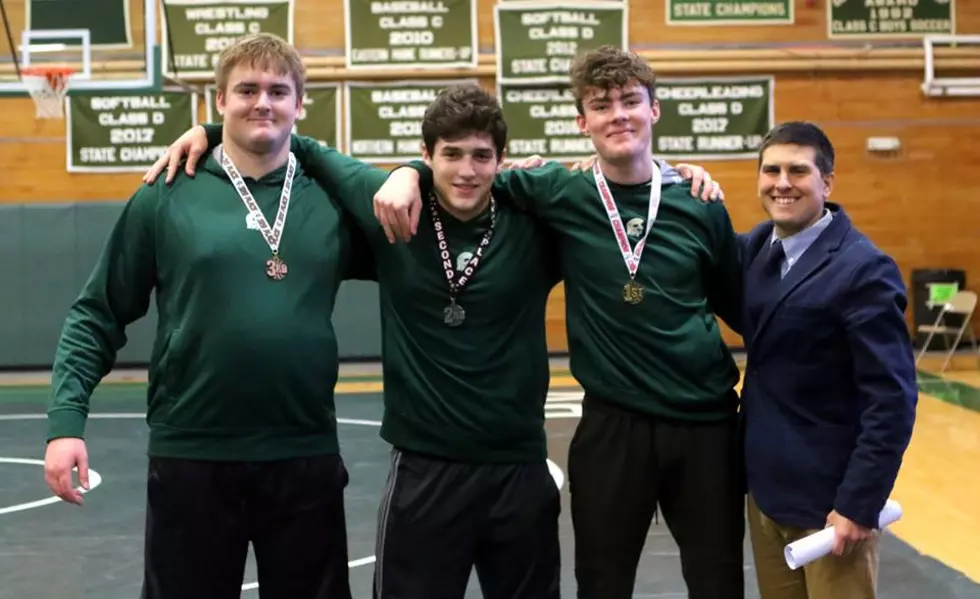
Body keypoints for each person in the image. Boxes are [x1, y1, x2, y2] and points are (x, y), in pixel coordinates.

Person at [144, 82, 723, 597]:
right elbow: (309, 149)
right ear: (426, 157)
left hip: (517, 468)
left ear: (501, 162)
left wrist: (678, 173)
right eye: (450, 155)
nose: (466, 170)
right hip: (423, 470)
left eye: (481, 156)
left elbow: (620, 185)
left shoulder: (535, 220)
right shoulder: (394, 218)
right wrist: (214, 128)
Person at [375, 46, 746, 599]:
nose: (618, 114)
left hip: (704, 424)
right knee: (601, 582)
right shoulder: (556, 192)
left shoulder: (700, 202)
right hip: (612, 427)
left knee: (717, 581)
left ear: (655, 110)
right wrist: (405, 170)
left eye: (630, 102)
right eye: (602, 105)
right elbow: (464, 172)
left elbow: (738, 304)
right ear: (583, 122)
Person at [43, 33, 373, 599]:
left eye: (278, 91)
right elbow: (98, 313)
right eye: (246, 90)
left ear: (301, 103)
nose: (261, 102)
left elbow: (427, 208)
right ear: (218, 102)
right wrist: (65, 422)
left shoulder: (332, 197)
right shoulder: (167, 193)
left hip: (303, 454)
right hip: (193, 454)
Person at [738, 121, 917, 599]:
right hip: (769, 497)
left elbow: (892, 398)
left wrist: (859, 503)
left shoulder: (862, 268)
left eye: (798, 170)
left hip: (831, 506)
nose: (781, 183)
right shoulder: (758, 248)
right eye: (770, 170)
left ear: (827, 182)